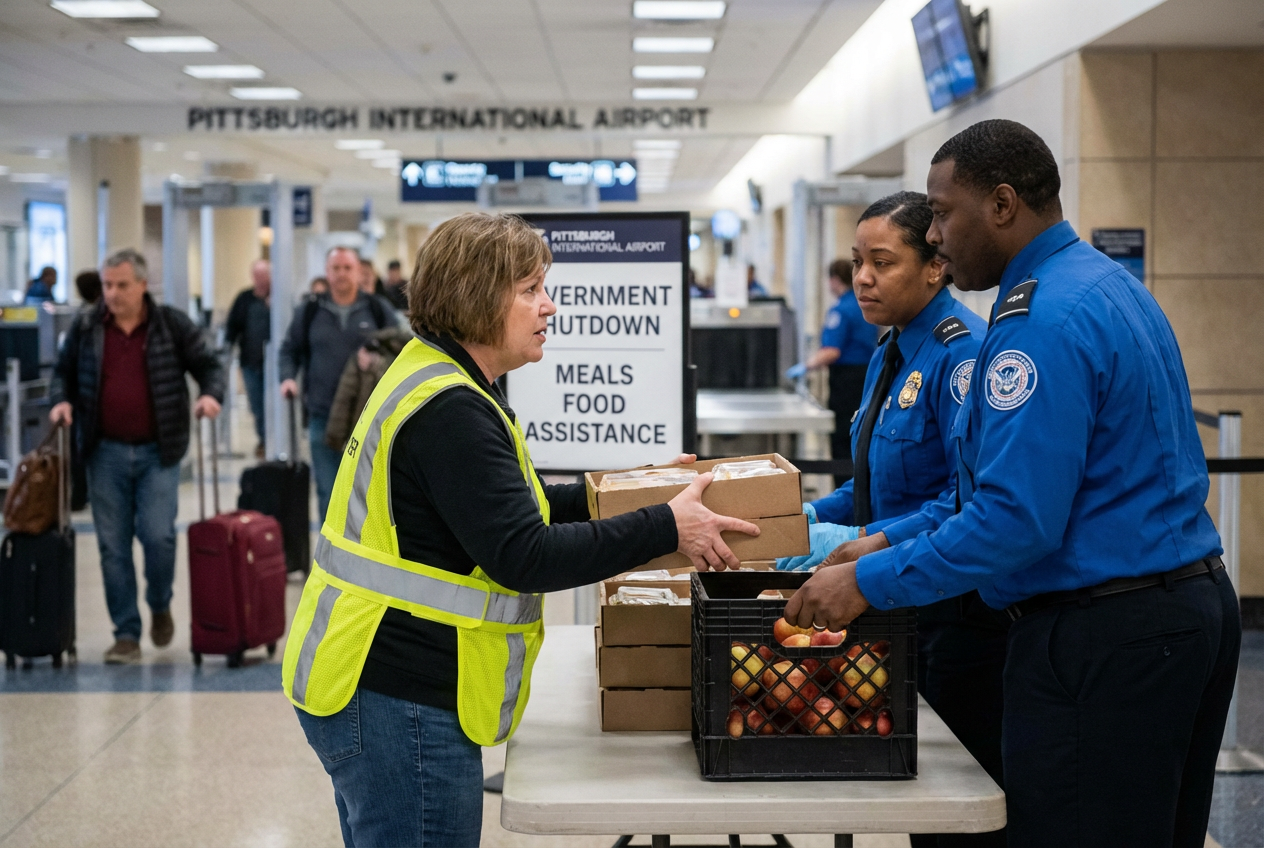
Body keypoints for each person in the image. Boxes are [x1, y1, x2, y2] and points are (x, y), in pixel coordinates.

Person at [783, 120, 1240, 848]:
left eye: (941, 212)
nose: (934, 234)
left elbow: (1013, 519)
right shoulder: (1103, 286)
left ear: (1001, 205)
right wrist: (874, 541)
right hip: (1175, 609)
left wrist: (871, 580)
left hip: (1105, 631)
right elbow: (978, 493)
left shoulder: (1039, 322)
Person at [283, 212, 757, 847]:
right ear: (479, 296)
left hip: (379, 683)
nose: (550, 306)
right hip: (400, 698)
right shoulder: (452, 410)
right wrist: (666, 526)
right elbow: (523, 553)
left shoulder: (442, 377)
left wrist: (636, 491)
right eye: (531, 289)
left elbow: (513, 506)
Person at [777, 192, 1005, 848]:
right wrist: (804, 518)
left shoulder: (962, 358)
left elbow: (965, 499)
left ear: (935, 267)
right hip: (891, 602)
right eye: (856, 263)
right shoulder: (889, 349)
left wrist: (870, 543)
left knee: (956, 808)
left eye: (883, 262)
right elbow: (874, 482)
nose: (863, 279)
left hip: (954, 613)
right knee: (912, 801)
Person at [50, 248, 224, 664]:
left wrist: (211, 395)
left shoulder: (170, 324)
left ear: (143, 285)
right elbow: (62, 373)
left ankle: (159, 603)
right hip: (103, 451)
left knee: (159, 536)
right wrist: (60, 401)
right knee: (112, 546)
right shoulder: (88, 326)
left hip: (158, 451)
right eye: (107, 285)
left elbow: (208, 365)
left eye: (121, 285)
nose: (112, 293)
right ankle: (126, 632)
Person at [279, 246, 397, 521]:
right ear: (327, 272)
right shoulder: (309, 310)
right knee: (328, 492)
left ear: (359, 272)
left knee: (368, 494)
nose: (342, 274)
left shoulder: (377, 309)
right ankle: (328, 559)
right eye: (336, 268)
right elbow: (289, 349)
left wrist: (378, 361)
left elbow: (400, 349)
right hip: (322, 415)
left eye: (347, 268)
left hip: (368, 418)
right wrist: (287, 378)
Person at [786, 258, 876, 480]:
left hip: (847, 382)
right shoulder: (864, 304)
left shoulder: (841, 310)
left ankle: (844, 495)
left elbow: (832, 351)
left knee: (842, 441)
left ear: (835, 280)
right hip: (868, 377)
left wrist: (805, 367)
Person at [322, 326, 415, 451]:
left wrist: (336, 438)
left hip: (364, 439)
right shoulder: (414, 361)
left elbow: (344, 399)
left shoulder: (365, 358)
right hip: (400, 443)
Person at [225, 259, 271, 458]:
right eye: (257, 276)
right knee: (257, 405)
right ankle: (263, 439)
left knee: (273, 405)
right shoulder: (244, 299)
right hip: (250, 363)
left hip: (272, 366)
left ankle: (274, 440)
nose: (260, 280)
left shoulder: (277, 299)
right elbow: (232, 326)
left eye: (264, 276)